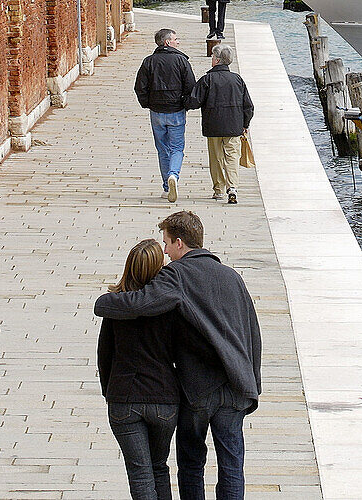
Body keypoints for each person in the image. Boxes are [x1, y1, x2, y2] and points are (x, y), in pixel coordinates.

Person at [94, 210, 261, 500]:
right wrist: (252, 383)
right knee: (232, 463)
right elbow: (253, 334)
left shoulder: (177, 275)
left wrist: (106, 302)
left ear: (180, 243)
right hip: (237, 385)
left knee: (192, 462)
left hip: (199, 389)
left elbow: (141, 304)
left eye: (167, 244)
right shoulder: (232, 277)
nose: (167, 252)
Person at [97, 239, 179, 500]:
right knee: (159, 468)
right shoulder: (170, 306)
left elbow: (105, 355)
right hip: (163, 398)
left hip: (125, 398)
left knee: (140, 474)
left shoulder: (116, 307)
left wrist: (110, 392)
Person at [134, 28, 196, 204]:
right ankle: (173, 175)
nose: (178, 42)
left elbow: (140, 87)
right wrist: (185, 103)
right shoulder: (181, 61)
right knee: (176, 148)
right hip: (176, 110)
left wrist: (147, 103)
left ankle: (166, 186)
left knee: (162, 149)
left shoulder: (149, 61)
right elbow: (191, 86)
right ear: (167, 42)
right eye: (176, 39)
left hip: (156, 112)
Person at [187, 44, 254, 205]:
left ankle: (218, 189)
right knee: (232, 157)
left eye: (212, 56)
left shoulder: (207, 79)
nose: (211, 59)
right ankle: (232, 187)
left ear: (217, 60)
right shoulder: (237, 79)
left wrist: (183, 102)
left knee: (216, 158)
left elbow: (194, 102)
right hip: (234, 126)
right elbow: (248, 105)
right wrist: (245, 123)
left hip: (213, 126)